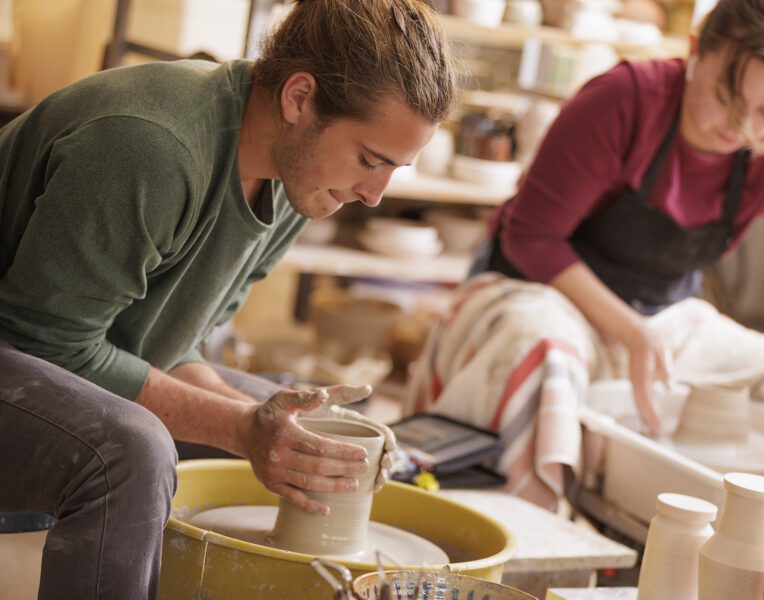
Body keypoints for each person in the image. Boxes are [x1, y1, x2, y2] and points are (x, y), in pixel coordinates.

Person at [0, 0, 456, 597]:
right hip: (24, 346)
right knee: (131, 451)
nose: (374, 194)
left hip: (48, 355)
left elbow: (168, 344)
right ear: (299, 99)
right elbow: (47, 344)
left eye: (394, 168)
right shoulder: (152, 147)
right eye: (370, 160)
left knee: (313, 431)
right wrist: (240, 428)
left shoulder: (303, 182)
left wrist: (269, 427)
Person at [409, 0, 764, 506]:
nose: (741, 126)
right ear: (693, 52)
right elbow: (530, 236)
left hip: (664, 321)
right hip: (537, 294)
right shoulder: (624, 100)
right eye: (726, 97)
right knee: (544, 351)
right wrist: (631, 334)